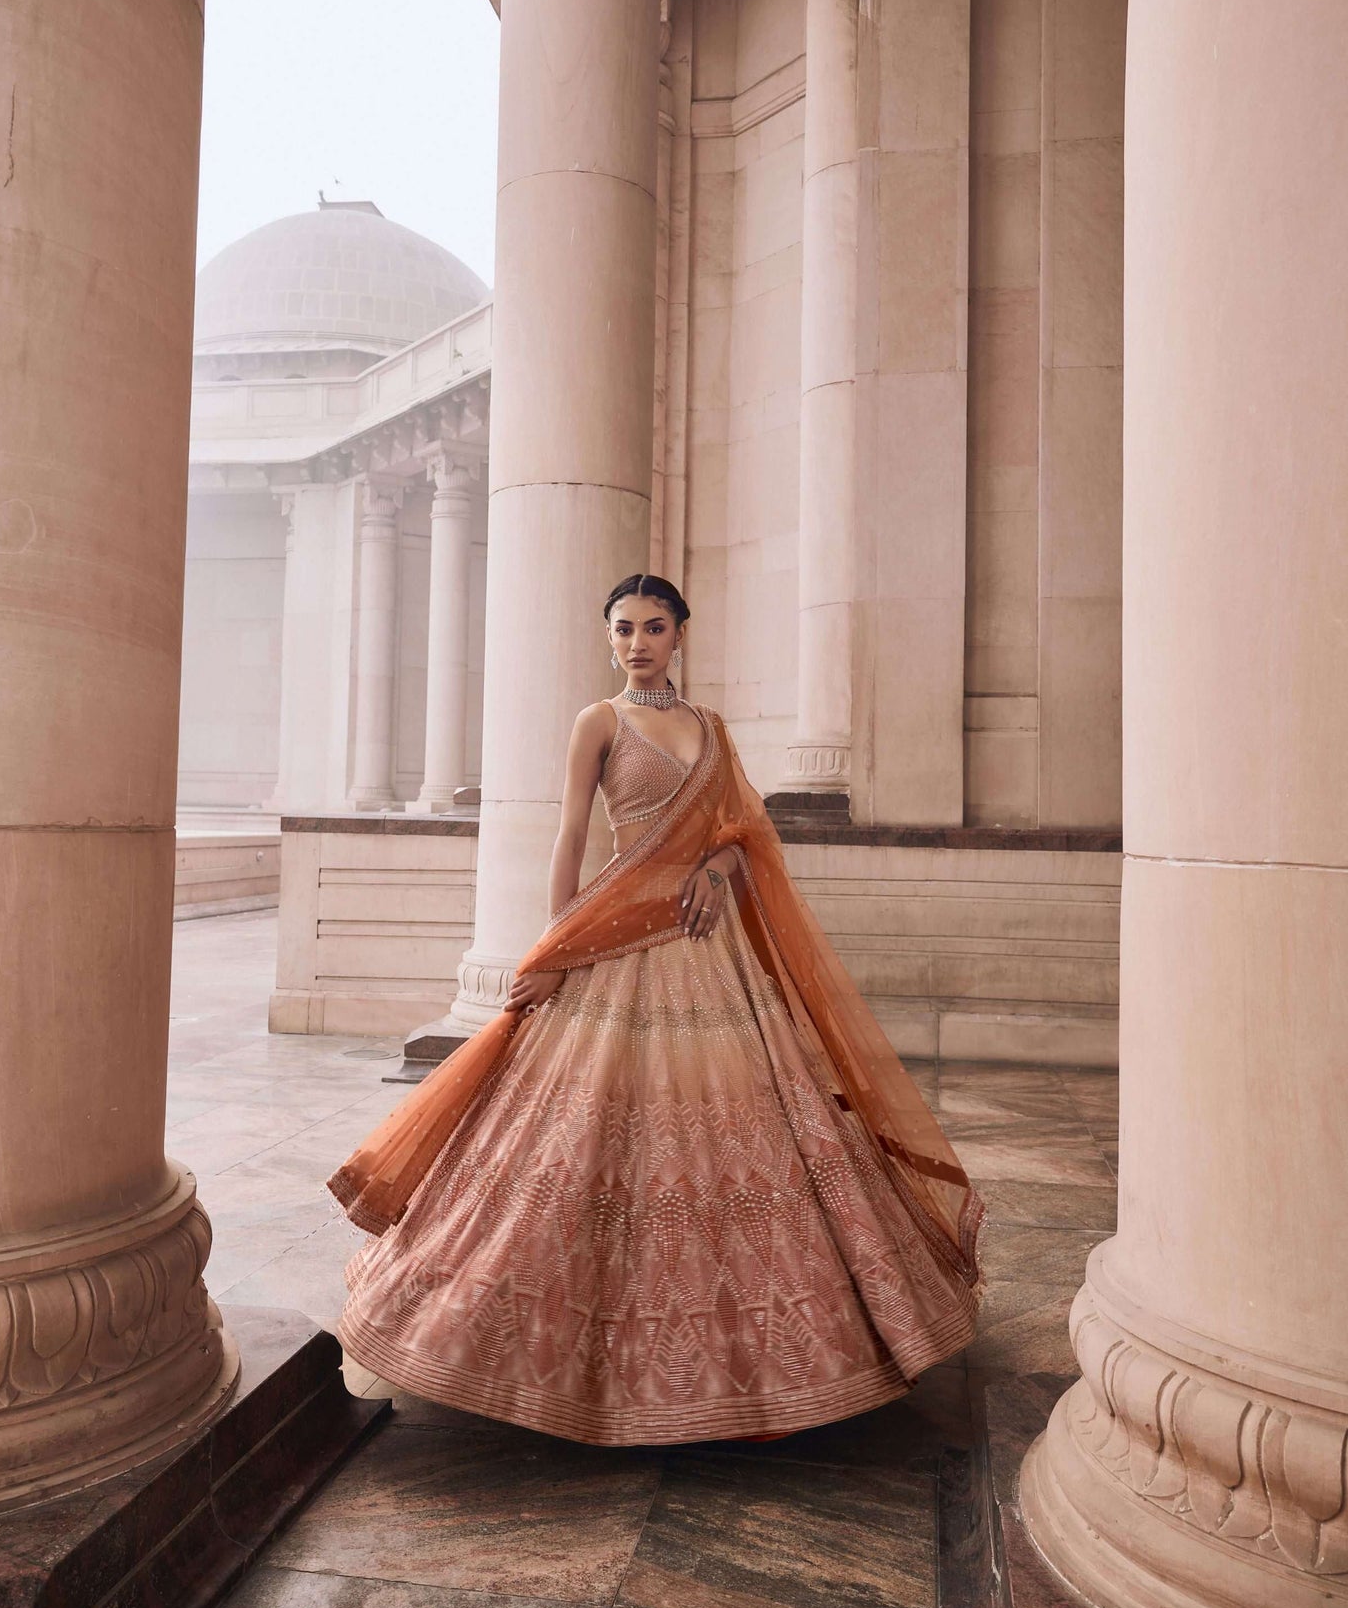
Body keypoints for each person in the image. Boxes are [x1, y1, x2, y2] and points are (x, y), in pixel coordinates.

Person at [329, 574, 983, 1446]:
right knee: (579, 1137)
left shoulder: (712, 730)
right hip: (611, 941)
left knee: (737, 1132)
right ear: (609, 639)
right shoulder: (598, 722)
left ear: (680, 635)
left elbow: (750, 836)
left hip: (703, 952)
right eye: (624, 629)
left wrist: (718, 869)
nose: (638, 642)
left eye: (655, 627)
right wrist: (556, 947)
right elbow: (571, 836)